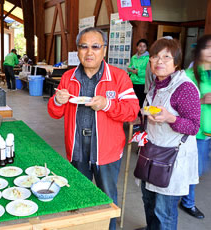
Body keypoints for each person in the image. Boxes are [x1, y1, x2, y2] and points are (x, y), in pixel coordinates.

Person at [47, 27, 139, 230]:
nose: (90, 52)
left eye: (96, 47)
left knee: (107, 198)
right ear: (77, 50)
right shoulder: (68, 77)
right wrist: (58, 100)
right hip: (77, 147)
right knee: (79, 195)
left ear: (104, 50)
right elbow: (54, 113)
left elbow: (133, 111)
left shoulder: (119, 77)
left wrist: (107, 105)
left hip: (107, 150)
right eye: (84, 47)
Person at [139, 38, 200, 229]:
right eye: (155, 56)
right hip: (152, 152)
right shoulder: (157, 83)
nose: (160, 61)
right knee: (148, 201)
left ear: (176, 62)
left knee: (164, 211)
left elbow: (193, 126)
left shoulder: (185, 88)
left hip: (172, 158)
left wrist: (169, 118)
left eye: (166, 57)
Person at [180, 34, 211, 219]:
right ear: (199, 50)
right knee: (195, 171)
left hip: (208, 132)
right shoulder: (189, 75)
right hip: (196, 132)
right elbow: (179, 105)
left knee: (199, 170)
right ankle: (187, 202)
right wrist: (201, 100)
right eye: (207, 47)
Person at [127, 39, 149, 128]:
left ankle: (140, 121)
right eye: (140, 46)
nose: (141, 48)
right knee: (133, 102)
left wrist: (137, 72)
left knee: (141, 102)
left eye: (144, 46)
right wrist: (131, 70)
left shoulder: (148, 58)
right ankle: (134, 119)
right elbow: (130, 67)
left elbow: (148, 72)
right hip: (133, 82)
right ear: (137, 47)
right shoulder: (134, 57)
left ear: (146, 48)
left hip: (142, 83)